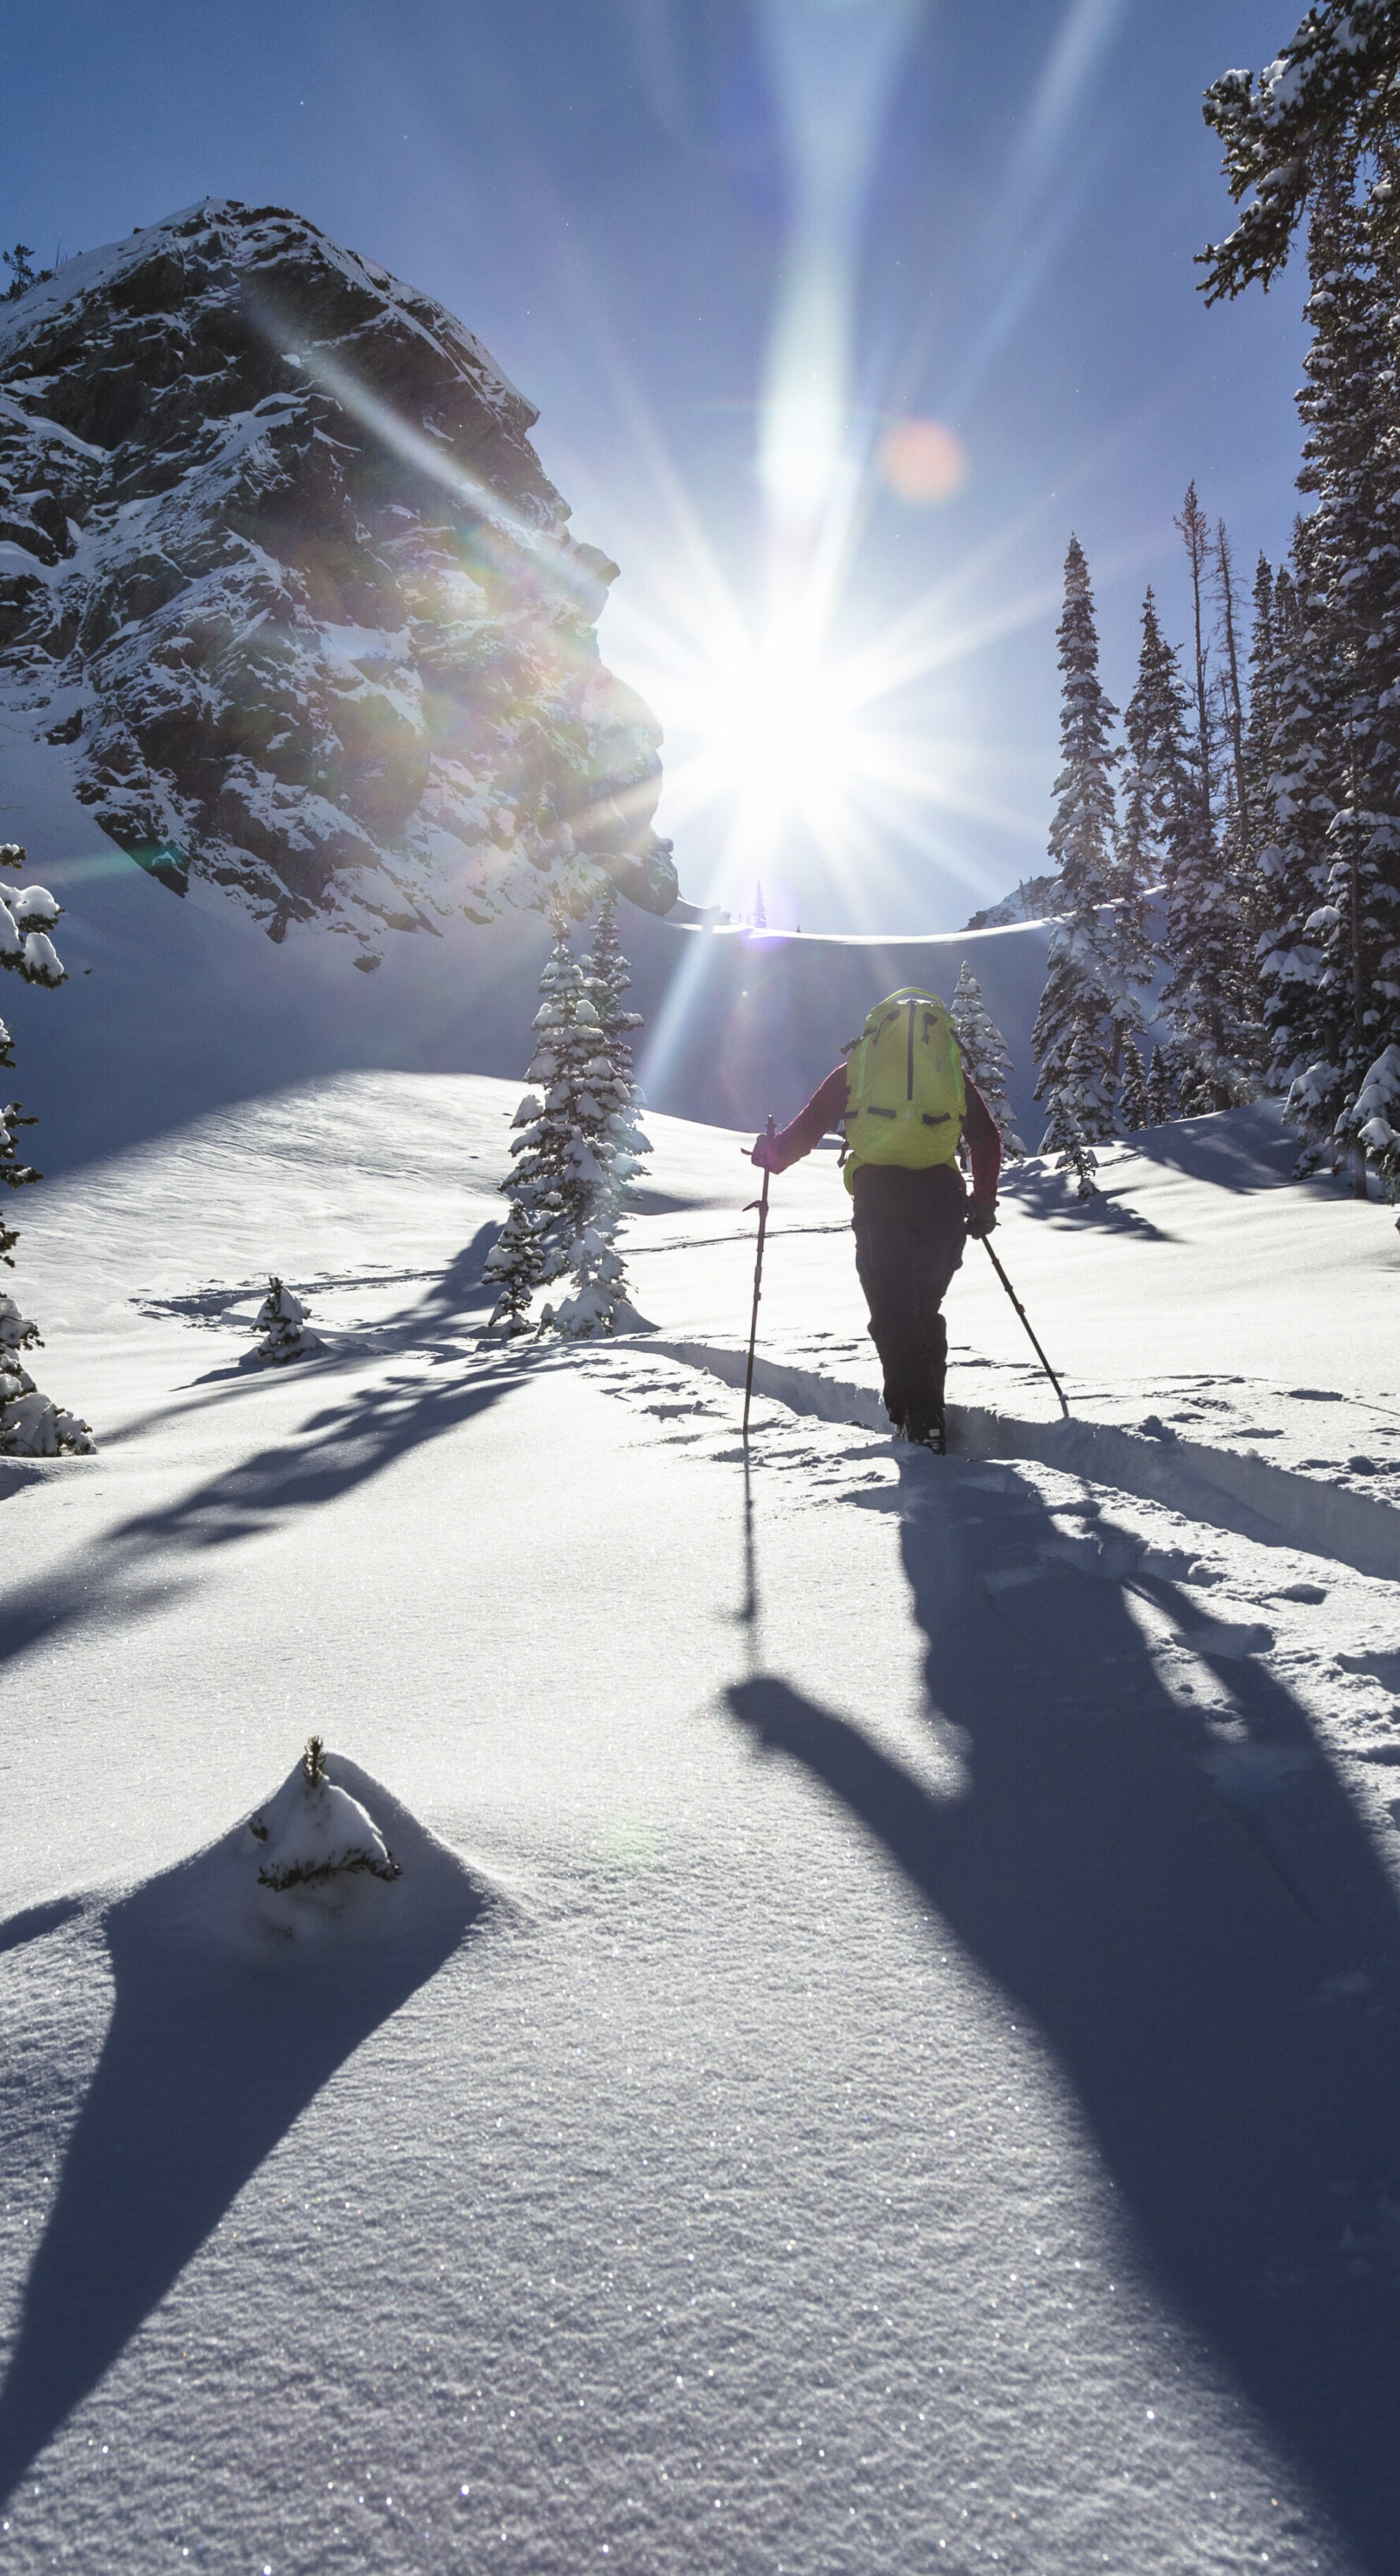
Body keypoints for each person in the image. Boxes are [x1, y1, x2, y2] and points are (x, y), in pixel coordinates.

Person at [750, 986, 1001, 1452]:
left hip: (880, 1198)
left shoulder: (855, 1071)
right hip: (943, 1198)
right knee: (921, 1309)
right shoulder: (950, 1076)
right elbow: (986, 1139)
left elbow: (806, 1130)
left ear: (875, 1031)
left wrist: (771, 1155)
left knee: (890, 1312)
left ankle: (917, 1420)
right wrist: (983, 1203)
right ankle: (926, 1415)